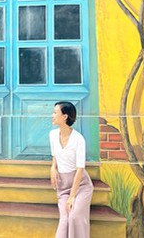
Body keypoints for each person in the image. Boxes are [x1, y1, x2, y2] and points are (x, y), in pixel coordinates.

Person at [49, 101, 93, 238]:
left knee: (75, 217)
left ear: (65, 117)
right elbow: (55, 155)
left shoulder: (78, 139)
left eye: (55, 112)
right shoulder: (52, 135)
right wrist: (53, 167)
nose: (52, 115)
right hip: (63, 186)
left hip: (80, 185)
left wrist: (72, 196)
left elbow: (80, 169)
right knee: (65, 219)